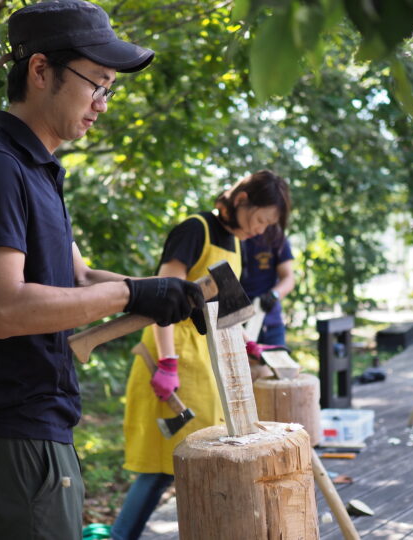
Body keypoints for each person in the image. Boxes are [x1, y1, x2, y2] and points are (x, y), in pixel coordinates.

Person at [0, 2, 205, 539]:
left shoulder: (39, 170)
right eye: (97, 84)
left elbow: (81, 279)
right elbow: (7, 309)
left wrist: (169, 292)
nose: (102, 105)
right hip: (11, 437)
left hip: (34, 436)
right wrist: (134, 294)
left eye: (110, 89)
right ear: (41, 71)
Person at [111, 170, 291, 540]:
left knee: (204, 455)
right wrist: (166, 362)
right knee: (162, 465)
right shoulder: (194, 230)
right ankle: (119, 537)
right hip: (171, 353)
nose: (260, 230)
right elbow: (161, 297)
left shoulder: (235, 242)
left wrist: (246, 342)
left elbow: (223, 308)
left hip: (205, 359)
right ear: (241, 201)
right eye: (260, 220)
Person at [241, 233, 295, 346]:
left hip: (271, 324)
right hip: (239, 324)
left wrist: (274, 294)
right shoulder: (233, 237)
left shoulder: (275, 236)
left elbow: (288, 278)